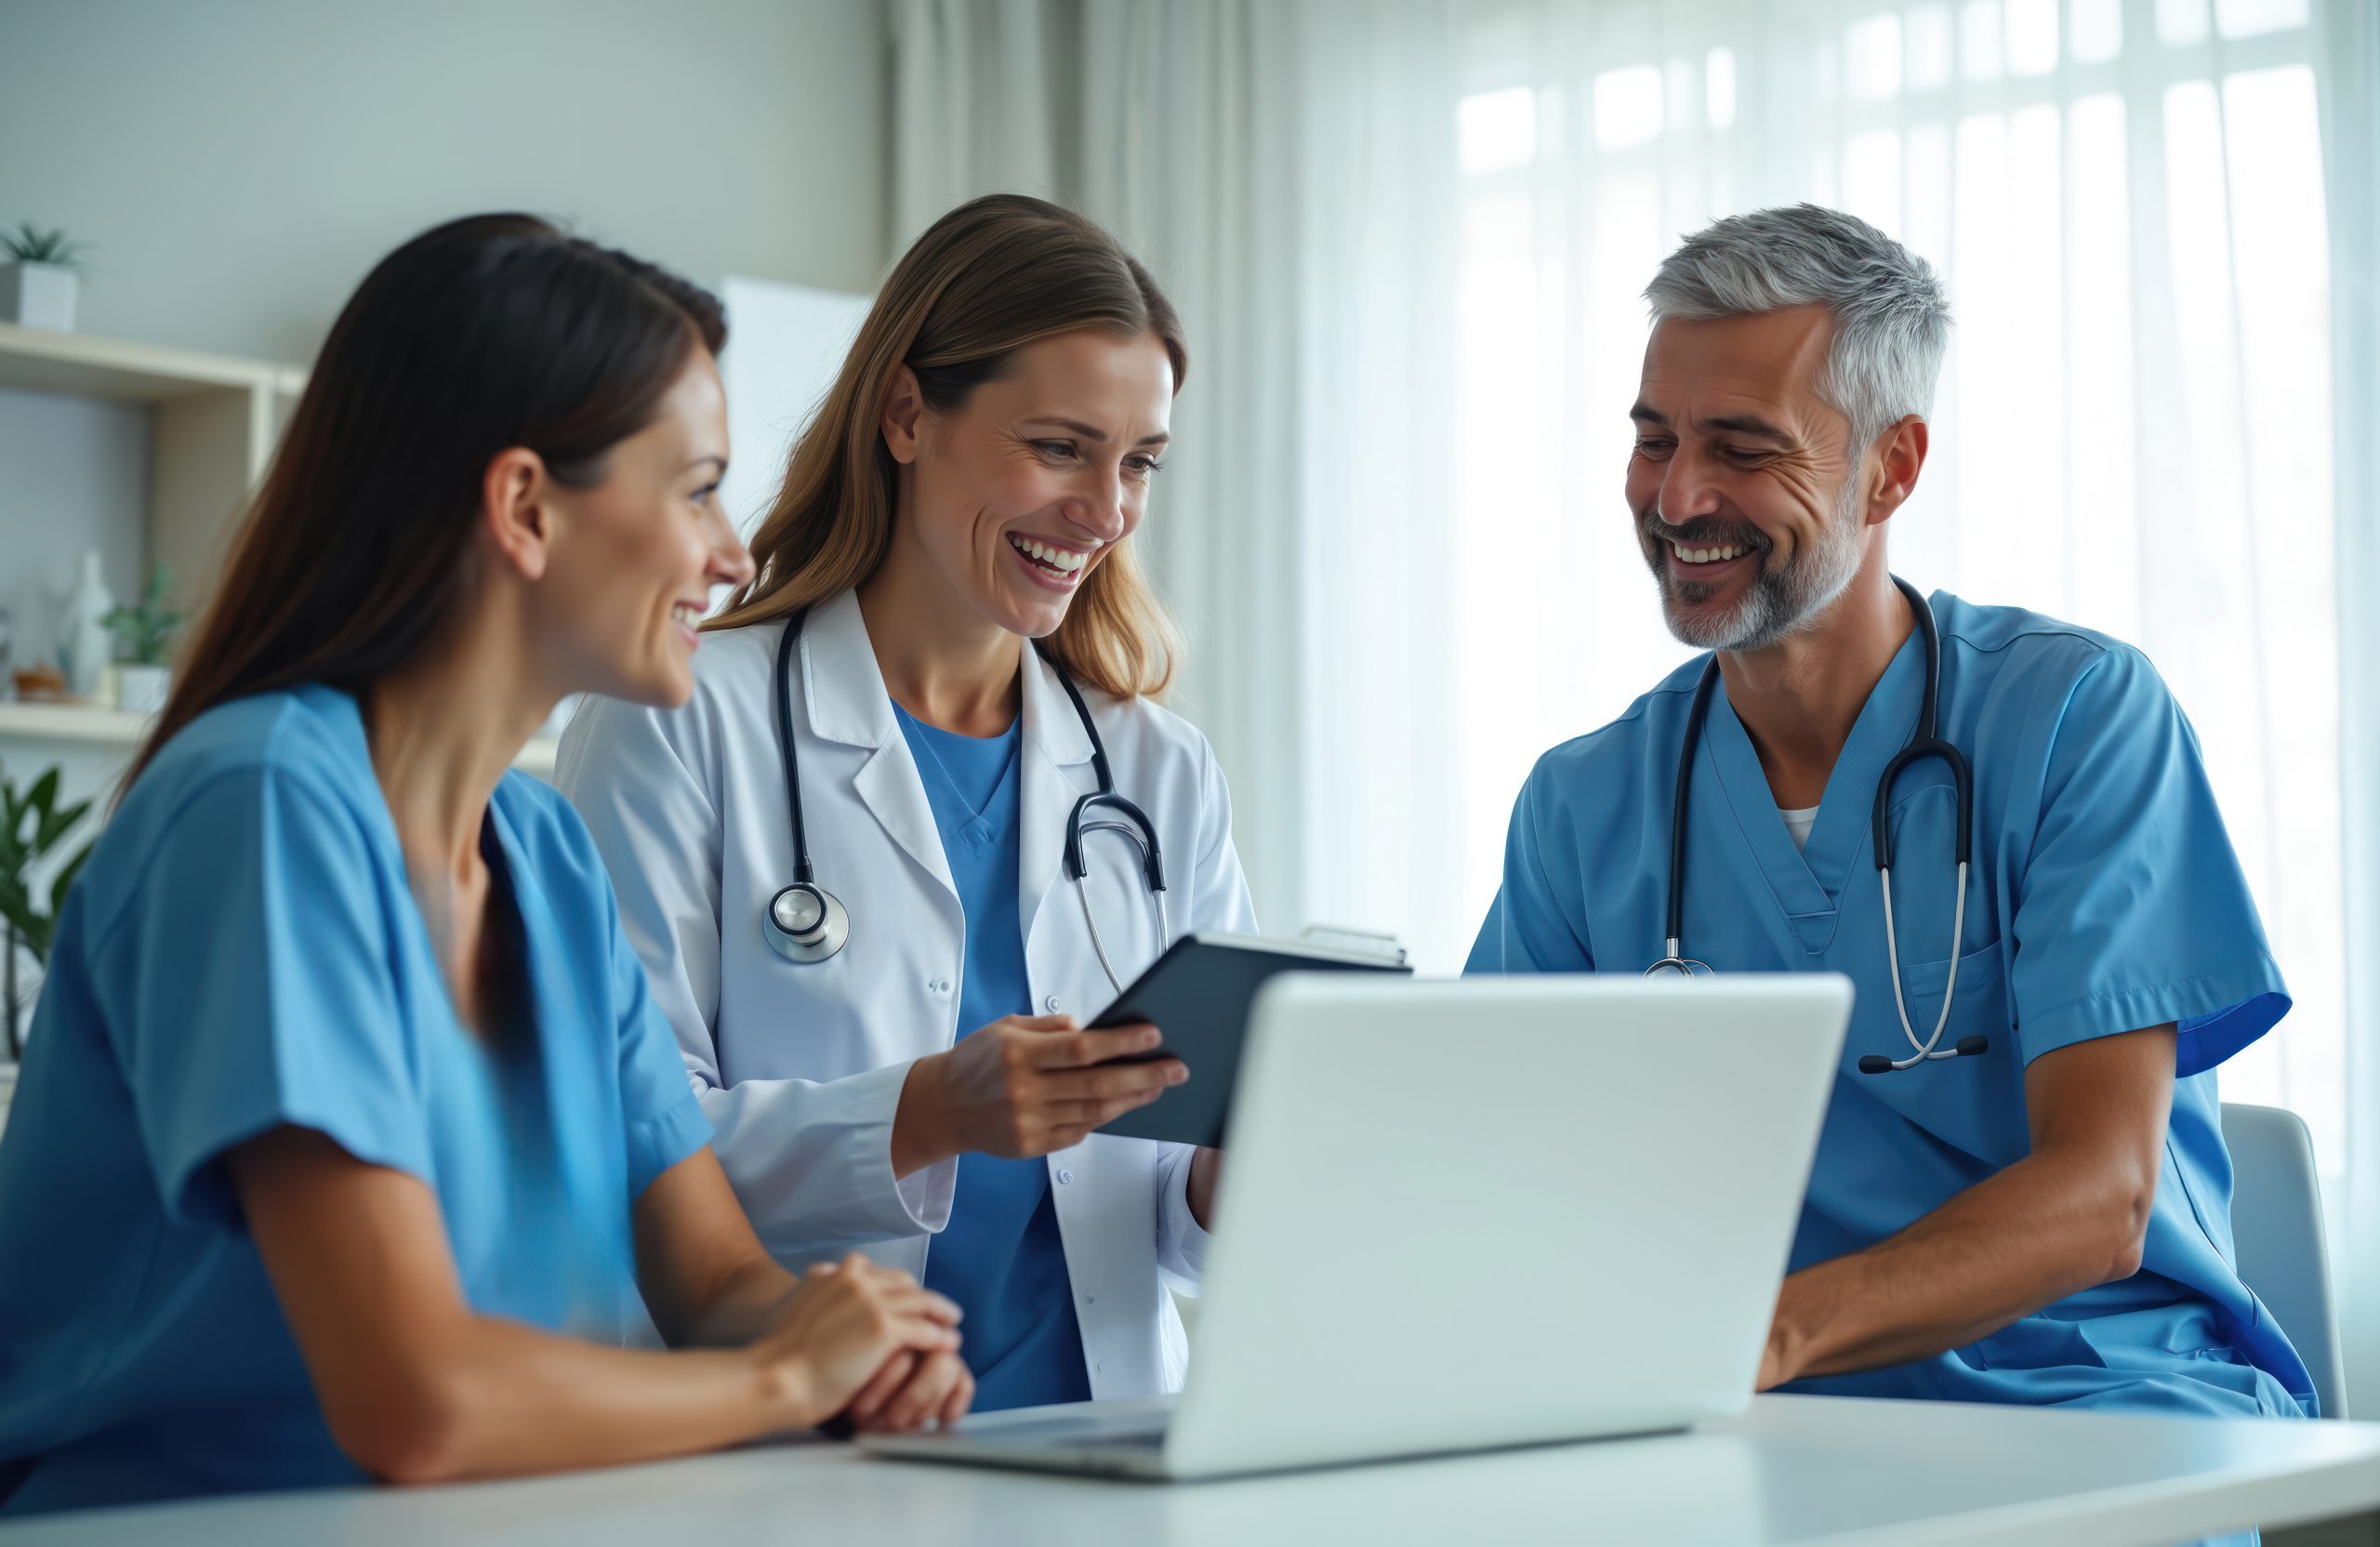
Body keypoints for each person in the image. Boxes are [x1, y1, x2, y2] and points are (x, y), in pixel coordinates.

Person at [0, 216, 971, 1515]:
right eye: (695, 490)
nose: (732, 555)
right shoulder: (264, 805)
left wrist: (852, 1349)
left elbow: (716, 1283)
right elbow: (418, 1400)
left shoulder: (545, 856)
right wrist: (784, 1384)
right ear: (522, 506)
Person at [1468, 205, 2314, 1428]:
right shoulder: (1585, 803)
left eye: (1744, 449)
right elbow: (1497, 1164)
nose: (1678, 495)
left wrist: (1757, 1336)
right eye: (1656, 440)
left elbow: (2103, 1195)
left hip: (2098, 1403)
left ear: (1893, 467)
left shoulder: (2075, 718)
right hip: (1754, 1423)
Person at [557, 194, 1252, 1411]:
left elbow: (1172, 1223)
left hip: (1100, 1444)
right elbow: (613, 1149)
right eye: (1059, 446)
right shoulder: (681, 715)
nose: (1107, 510)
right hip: (799, 1455)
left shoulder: (1158, 771)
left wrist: (1239, 1171)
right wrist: (927, 1110)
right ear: (905, 413)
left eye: (1138, 461)